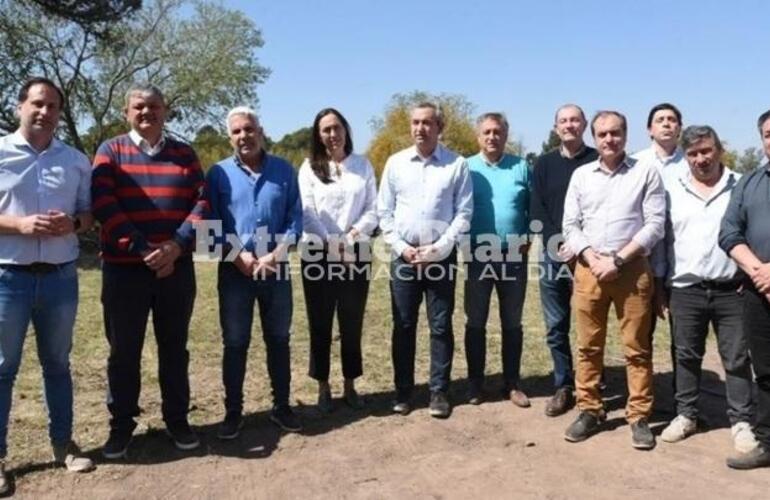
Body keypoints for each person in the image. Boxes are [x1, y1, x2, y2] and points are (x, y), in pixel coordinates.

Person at [92, 83, 207, 458]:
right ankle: (122, 425)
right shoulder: (110, 151)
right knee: (124, 352)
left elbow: (202, 204)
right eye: (138, 107)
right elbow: (104, 206)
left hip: (176, 269)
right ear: (127, 113)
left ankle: (177, 419)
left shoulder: (185, 154)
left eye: (154, 106)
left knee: (175, 349)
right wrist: (145, 250)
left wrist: (175, 247)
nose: (147, 112)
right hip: (125, 272)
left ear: (165, 110)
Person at [0, 77, 94, 489]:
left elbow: (89, 215)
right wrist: (18, 224)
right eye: (38, 103)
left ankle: (64, 445)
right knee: (3, 369)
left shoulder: (74, 159)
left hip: (60, 279)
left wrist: (72, 223)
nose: (45, 112)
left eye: (53, 106)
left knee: (57, 365)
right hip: (8, 278)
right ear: (20, 106)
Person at [562, 110, 665, 449]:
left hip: (631, 270)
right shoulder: (581, 176)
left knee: (636, 348)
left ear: (626, 135)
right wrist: (592, 258)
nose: (609, 139)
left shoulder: (645, 172)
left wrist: (618, 259)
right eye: (603, 134)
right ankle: (590, 409)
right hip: (590, 270)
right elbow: (571, 226)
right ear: (594, 137)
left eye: (615, 133)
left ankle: (639, 415)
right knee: (588, 346)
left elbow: (654, 225)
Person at [656, 126, 757, 454]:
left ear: (719, 150)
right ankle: (686, 415)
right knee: (686, 354)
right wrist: (660, 286)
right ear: (686, 157)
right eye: (693, 154)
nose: (701, 159)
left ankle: (741, 420)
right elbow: (663, 242)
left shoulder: (741, 185)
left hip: (733, 289)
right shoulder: (672, 189)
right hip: (686, 288)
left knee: (737, 357)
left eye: (706, 151)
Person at [205, 106, 303, 439]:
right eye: (236, 132)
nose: (243, 136)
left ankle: (282, 406)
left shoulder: (284, 171)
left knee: (279, 340)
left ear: (260, 131)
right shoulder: (217, 174)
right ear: (229, 136)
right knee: (235, 343)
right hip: (235, 273)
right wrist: (238, 257)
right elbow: (210, 225)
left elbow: (295, 220)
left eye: (249, 129)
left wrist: (277, 254)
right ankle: (233, 412)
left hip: (275, 271)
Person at [377, 101, 473, 419]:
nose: (421, 128)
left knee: (441, 326)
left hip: (440, 259)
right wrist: (402, 247)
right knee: (403, 325)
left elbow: (463, 213)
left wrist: (439, 249)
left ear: (439, 127)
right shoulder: (396, 163)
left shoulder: (456, 164)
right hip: (404, 258)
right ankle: (403, 392)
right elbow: (384, 212)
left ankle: (438, 392)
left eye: (427, 123)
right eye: (416, 123)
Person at [298, 108, 377, 413]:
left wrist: (351, 238)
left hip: (356, 253)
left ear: (346, 129)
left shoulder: (363, 165)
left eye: (336, 128)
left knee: (351, 321)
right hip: (318, 253)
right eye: (325, 130)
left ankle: (350, 384)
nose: (332, 134)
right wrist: (333, 245)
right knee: (320, 322)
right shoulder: (308, 168)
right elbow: (307, 211)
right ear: (318, 136)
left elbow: (373, 208)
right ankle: (322, 385)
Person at [530, 104, 598, 416]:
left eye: (574, 120)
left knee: (591, 324)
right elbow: (537, 208)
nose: (569, 125)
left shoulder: (598, 160)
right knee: (556, 324)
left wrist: (579, 245)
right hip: (553, 255)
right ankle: (564, 384)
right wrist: (558, 243)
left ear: (584, 124)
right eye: (563, 121)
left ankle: (591, 383)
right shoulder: (543, 164)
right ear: (556, 127)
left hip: (589, 255)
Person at [464, 112, 531, 407]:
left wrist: (528, 236)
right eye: (487, 132)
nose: (492, 137)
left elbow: (533, 206)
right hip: (478, 255)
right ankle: (475, 385)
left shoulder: (521, 167)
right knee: (475, 321)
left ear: (506, 135)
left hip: (513, 256)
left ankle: (512, 383)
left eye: (498, 132)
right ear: (478, 136)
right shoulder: (466, 168)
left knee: (512, 322)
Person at [719, 109, 770, 470]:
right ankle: (768, 442)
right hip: (758, 291)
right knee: (765, 371)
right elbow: (729, 232)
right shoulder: (749, 182)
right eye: (768, 134)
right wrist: (758, 272)